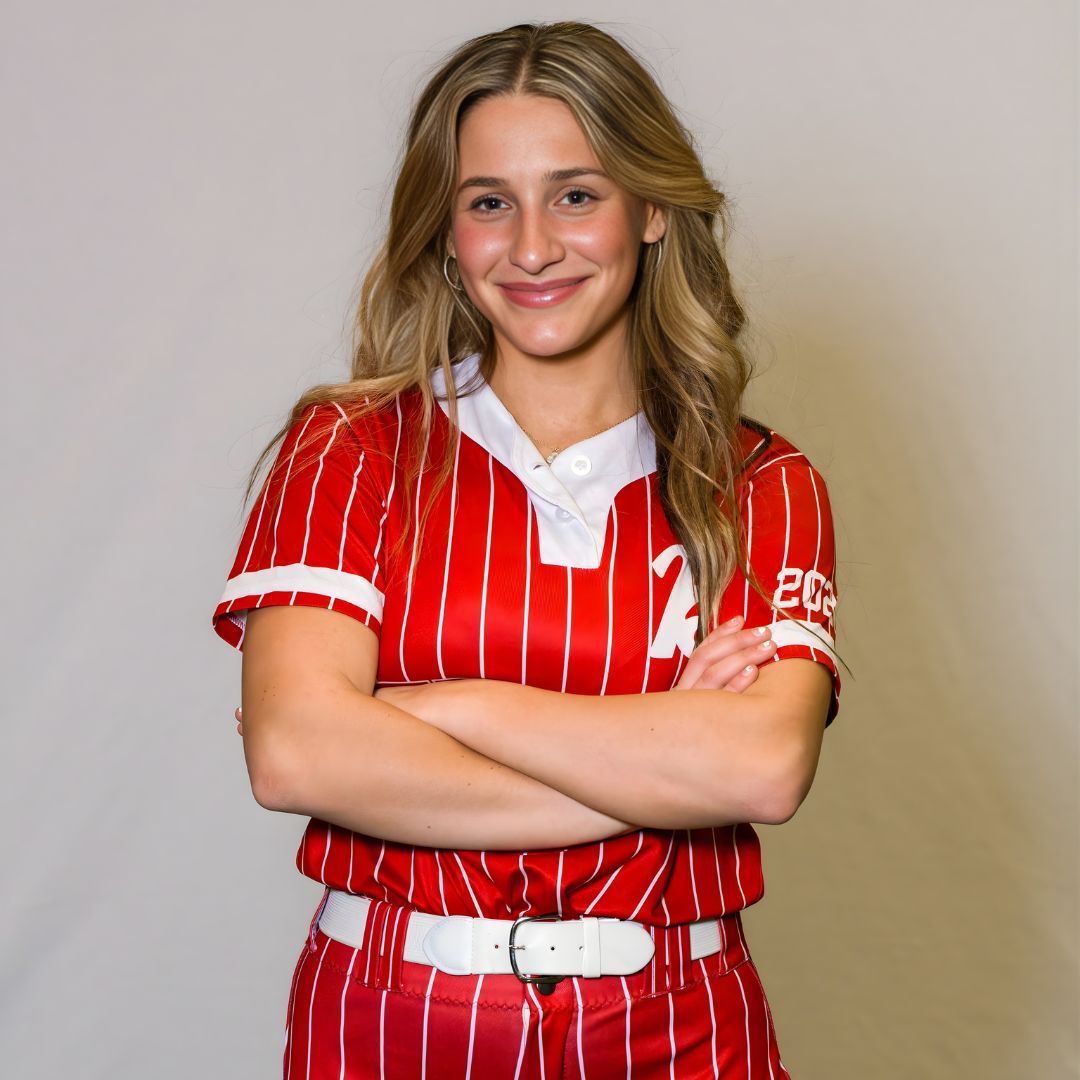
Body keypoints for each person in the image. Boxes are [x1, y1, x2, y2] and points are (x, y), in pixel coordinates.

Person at [212, 20, 844, 1079]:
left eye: (578, 194)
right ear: (446, 231)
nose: (534, 246)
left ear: (649, 210)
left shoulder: (765, 482)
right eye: (489, 202)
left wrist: (443, 707)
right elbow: (298, 755)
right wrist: (662, 762)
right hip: (396, 1022)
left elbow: (763, 769)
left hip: (683, 1026)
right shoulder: (352, 449)